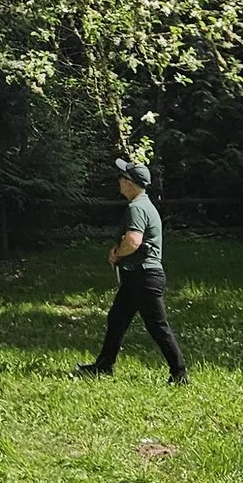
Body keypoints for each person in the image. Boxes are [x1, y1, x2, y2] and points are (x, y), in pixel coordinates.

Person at [73, 158, 188, 384]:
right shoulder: (145, 205)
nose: (119, 181)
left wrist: (117, 252)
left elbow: (134, 241)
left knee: (157, 325)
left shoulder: (136, 208)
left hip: (143, 276)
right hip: (137, 275)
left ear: (130, 183)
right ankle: (103, 366)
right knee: (117, 318)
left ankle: (179, 374)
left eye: (122, 178)